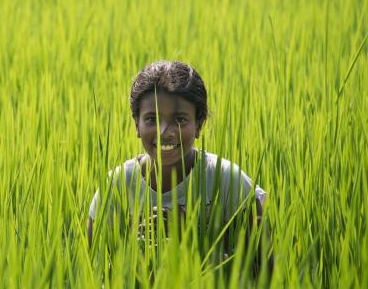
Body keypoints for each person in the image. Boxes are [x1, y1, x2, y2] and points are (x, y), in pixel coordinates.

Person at [87, 61, 269, 263]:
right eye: (151, 119)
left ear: (199, 124)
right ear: (136, 124)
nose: (165, 131)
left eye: (180, 120)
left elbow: (264, 268)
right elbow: (94, 269)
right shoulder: (117, 186)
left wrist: (191, 235)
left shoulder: (226, 180)